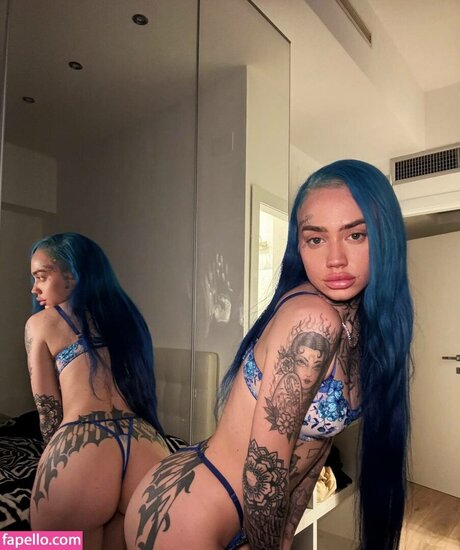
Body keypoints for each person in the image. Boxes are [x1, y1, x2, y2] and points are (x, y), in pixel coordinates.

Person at [124, 159, 413, 550]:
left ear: (385, 237)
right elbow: (266, 471)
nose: (335, 259)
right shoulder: (313, 321)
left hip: (245, 514)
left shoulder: (360, 327)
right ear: (299, 247)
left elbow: (315, 453)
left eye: (356, 235)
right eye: (316, 239)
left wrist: (283, 537)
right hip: (190, 513)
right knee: (55, 540)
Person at [25, 232, 170, 550]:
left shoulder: (41, 323)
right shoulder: (128, 318)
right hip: (146, 445)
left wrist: (57, 460)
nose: (34, 288)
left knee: (25, 544)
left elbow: (48, 411)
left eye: (41, 276)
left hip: (82, 444)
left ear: (72, 276)